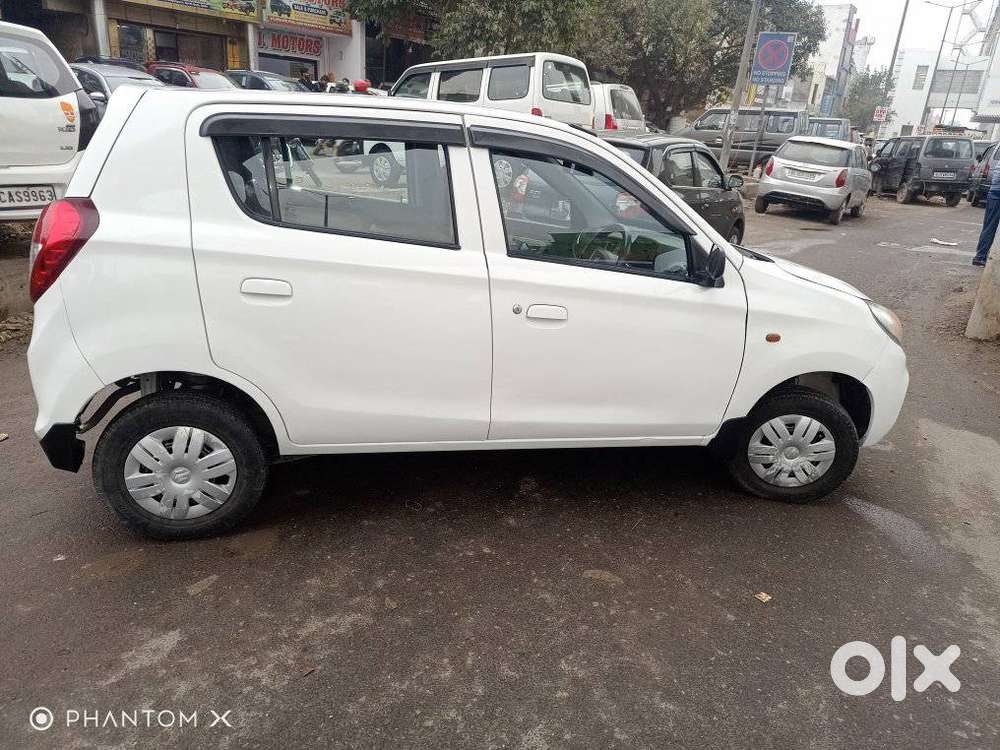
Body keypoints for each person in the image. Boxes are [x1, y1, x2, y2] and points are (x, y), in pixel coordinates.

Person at [974, 158, 1000, 266]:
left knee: (989, 227)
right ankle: (980, 256)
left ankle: (980, 256)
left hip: (994, 193)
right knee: (989, 227)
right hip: (997, 194)